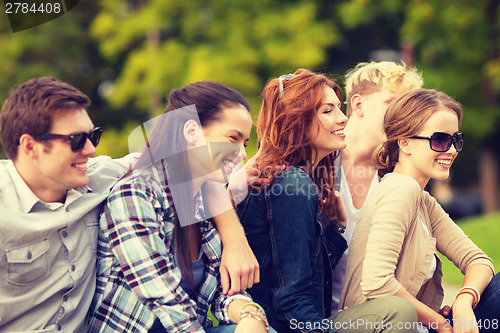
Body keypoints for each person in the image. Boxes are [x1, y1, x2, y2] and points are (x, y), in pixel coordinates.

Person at [0, 77, 259, 332]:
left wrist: (236, 237)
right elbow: (161, 295)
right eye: (77, 140)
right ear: (30, 146)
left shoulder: (97, 175)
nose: (91, 150)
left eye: (94, 136)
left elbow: (185, 163)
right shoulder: (6, 206)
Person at [237, 69, 418, 333]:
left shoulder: (304, 180)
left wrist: (335, 228)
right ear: (296, 119)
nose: (343, 117)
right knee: (396, 312)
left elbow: (309, 280)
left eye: (338, 108)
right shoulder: (292, 184)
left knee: (395, 310)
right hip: (284, 327)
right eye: (327, 110)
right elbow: (289, 301)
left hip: (302, 321)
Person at [89, 81, 276, 333]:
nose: (243, 154)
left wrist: (249, 315)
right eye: (233, 138)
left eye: (244, 143)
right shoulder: (135, 193)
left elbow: (223, 294)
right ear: (191, 132)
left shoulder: (206, 201)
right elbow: (162, 297)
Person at [340, 89, 500, 332]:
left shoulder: (422, 200)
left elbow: (478, 260)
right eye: (440, 140)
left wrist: (464, 301)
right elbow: (377, 283)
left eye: (456, 140)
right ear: (405, 143)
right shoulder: (400, 189)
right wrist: (443, 325)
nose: (452, 150)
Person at [331, 61, 424, 311]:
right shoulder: (317, 165)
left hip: (383, 315)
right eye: (392, 103)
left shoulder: (397, 177)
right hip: (321, 318)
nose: (403, 117)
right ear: (358, 104)